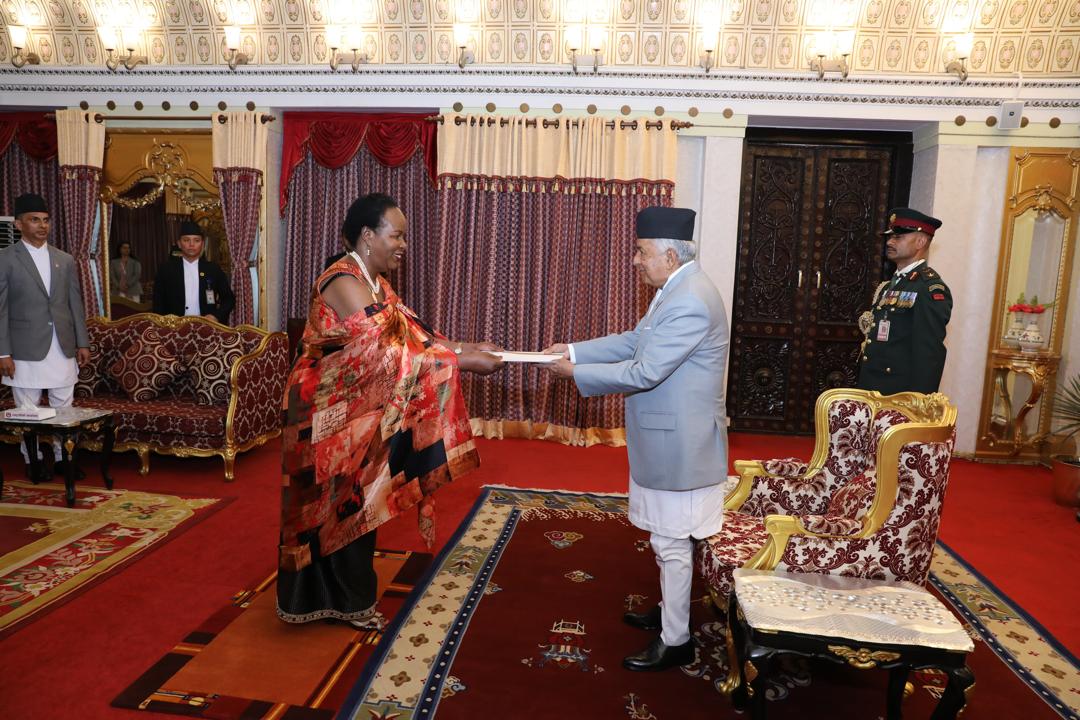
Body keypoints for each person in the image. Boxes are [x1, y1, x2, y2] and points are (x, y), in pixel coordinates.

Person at [277, 192, 503, 629]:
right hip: (322, 414)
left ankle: (346, 600)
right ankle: (316, 601)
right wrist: (465, 362)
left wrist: (464, 347)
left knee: (358, 501)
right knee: (324, 506)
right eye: (396, 235)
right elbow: (388, 349)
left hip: (359, 410)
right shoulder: (341, 280)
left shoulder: (376, 282)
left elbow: (414, 335)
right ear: (367, 236)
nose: (402, 245)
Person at [543, 206, 729, 672]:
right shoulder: (677, 287)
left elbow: (645, 370)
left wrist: (576, 373)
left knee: (672, 541)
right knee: (665, 538)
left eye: (641, 252)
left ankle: (677, 640)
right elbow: (634, 341)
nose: (634, 260)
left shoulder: (689, 298)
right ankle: (671, 614)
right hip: (666, 437)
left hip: (681, 445)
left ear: (669, 254)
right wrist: (572, 350)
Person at [0, 193, 91, 476]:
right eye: (34, 220)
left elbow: (74, 303)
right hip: (24, 347)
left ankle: (64, 457)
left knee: (64, 403)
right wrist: (3, 352)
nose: (42, 226)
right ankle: (33, 460)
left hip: (62, 345)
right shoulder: (5, 259)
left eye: (45, 220)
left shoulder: (64, 260)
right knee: (27, 407)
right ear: (18, 224)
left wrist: (82, 342)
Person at [856, 207, 952, 395]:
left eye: (898, 237)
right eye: (890, 237)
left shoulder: (928, 288)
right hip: (874, 389)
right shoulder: (890, 285)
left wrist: (917, 406)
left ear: (920, 241)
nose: (890, 242)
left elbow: (929, 355)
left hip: (899, 396)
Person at [151, 220, 235, 324]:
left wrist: (216, 316)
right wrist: (162, 325)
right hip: (174, 328)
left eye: (196, 240)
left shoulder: (213, 269)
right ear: (179, 244)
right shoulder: (166, 270)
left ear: (202, 244)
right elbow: (158, 302)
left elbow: (229, 299)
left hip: (206, 327)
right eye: (186, 240)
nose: (191, 244)